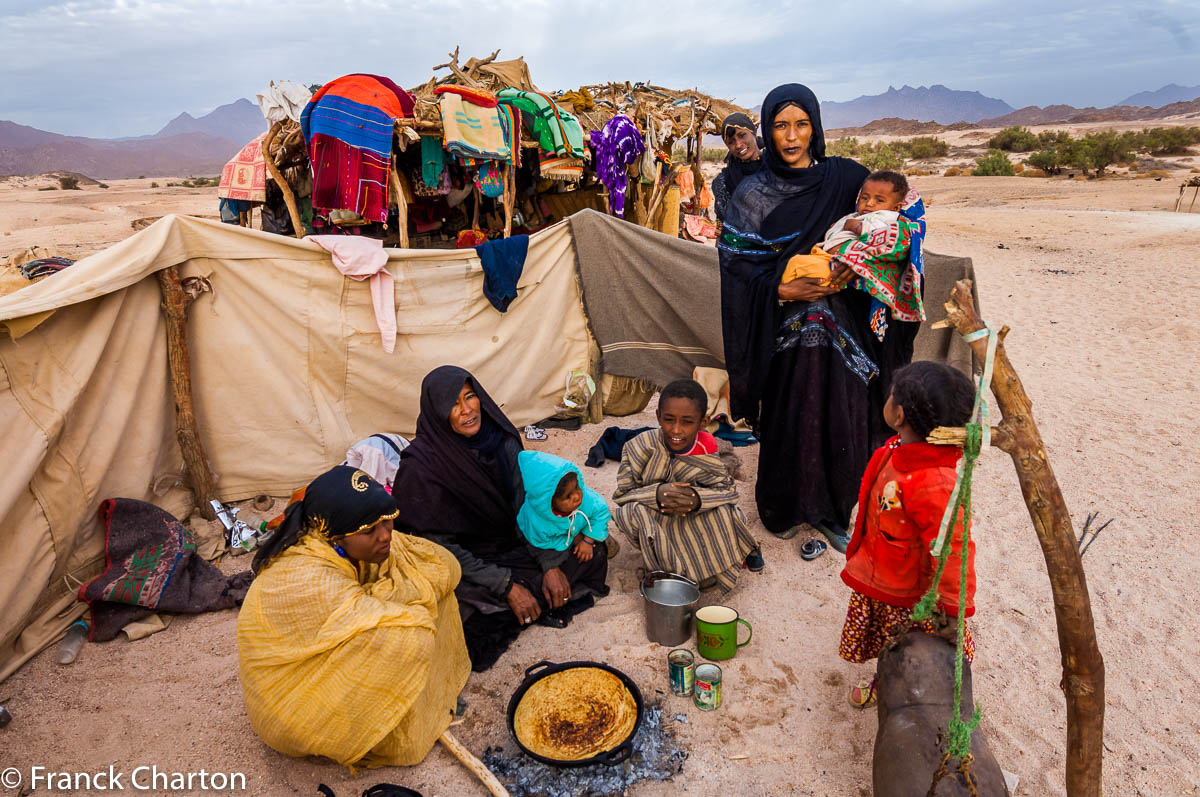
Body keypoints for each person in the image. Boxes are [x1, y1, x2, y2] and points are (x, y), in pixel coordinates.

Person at [717, 84, 920, 552]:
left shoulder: (846, 178)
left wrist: (865, 261)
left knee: (833, 370)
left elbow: (903, 216)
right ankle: (784, 506)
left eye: (801, 124)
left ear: (816, 127)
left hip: (847, 312)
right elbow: (737, 268)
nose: (791, 137)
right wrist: (785, 289)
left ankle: (831, 509)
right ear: (767, 130)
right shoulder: (752, 194)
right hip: (781, 317)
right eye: (781, 126)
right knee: (806, 350)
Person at [236, 465, 469, 767]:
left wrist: (396, 590)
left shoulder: (345, 536)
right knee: (410, 637)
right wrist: (401, 593)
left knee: (423, 582)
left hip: (333, 645)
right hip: (292, 706)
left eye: (388, 522)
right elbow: (408, 620)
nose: (386, 536)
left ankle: (399, 704)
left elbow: (445, 565)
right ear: (334, 536)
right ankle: (363, 731)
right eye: (371, 530)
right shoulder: (306, 575)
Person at [391, 366, 608, 671]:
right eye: (454, 404)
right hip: (462, 563)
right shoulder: (423, 468)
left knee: (591, 553)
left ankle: (524, 600)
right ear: (438, 413)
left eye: (470, 397)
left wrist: (548, 565)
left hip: (512, 544)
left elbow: (525, 510)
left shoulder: (502, 442)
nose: (467, 410)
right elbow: (437, 550)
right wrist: (507, 586)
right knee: (455, 610)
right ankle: (516, 601)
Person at [837, 362, 977, 707]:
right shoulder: (902, 449)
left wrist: (949, 610)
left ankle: (912, 698)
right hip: (888, 576)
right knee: (892, 648)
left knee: (915, 651)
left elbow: (953, 550)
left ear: (898, 414)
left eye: (890, 395)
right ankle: (885, 682)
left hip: (912, 597)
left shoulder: (935, 481)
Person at [612, 379, 762, 591]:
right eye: (669, 420)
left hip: (696, 515)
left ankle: (726, 561)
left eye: (687, 422)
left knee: (729, 514)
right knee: (629, 514)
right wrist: (657, 494)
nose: (676, 430)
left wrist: (696, 499)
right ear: (658, 417)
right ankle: (664, 571)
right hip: (657, 516)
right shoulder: (638, 447)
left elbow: (727, 492)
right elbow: (622, 496)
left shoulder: (706, 446)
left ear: (703, 422)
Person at [781, 170, 926, 343]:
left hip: (836, 266)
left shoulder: (887, 218)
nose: (869, 204)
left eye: (879, 200)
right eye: (864, 198)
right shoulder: (857, 215)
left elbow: (879, 237)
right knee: (795, 263)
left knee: (800, 267)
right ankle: (785, 299)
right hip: (824, 256)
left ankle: (785, 301)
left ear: (895, 207)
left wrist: (856, 227)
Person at [516, 451, 611, 563]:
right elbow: (542, 542)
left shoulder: (587, 499)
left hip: (577, 525)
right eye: (568, 496)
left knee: (599, 542)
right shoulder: (537, 524)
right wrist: (574, 538)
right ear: (549, 502)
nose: (576, 496)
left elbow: (601, 511)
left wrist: (588, 541)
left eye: (576, 486)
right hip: (555, 541)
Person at [712, 112, 764, 223]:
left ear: (753, 132)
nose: (738, 145)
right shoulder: (723, 182)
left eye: (742, 135)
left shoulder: (778, 167)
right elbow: (726, 226)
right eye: (731, 142)